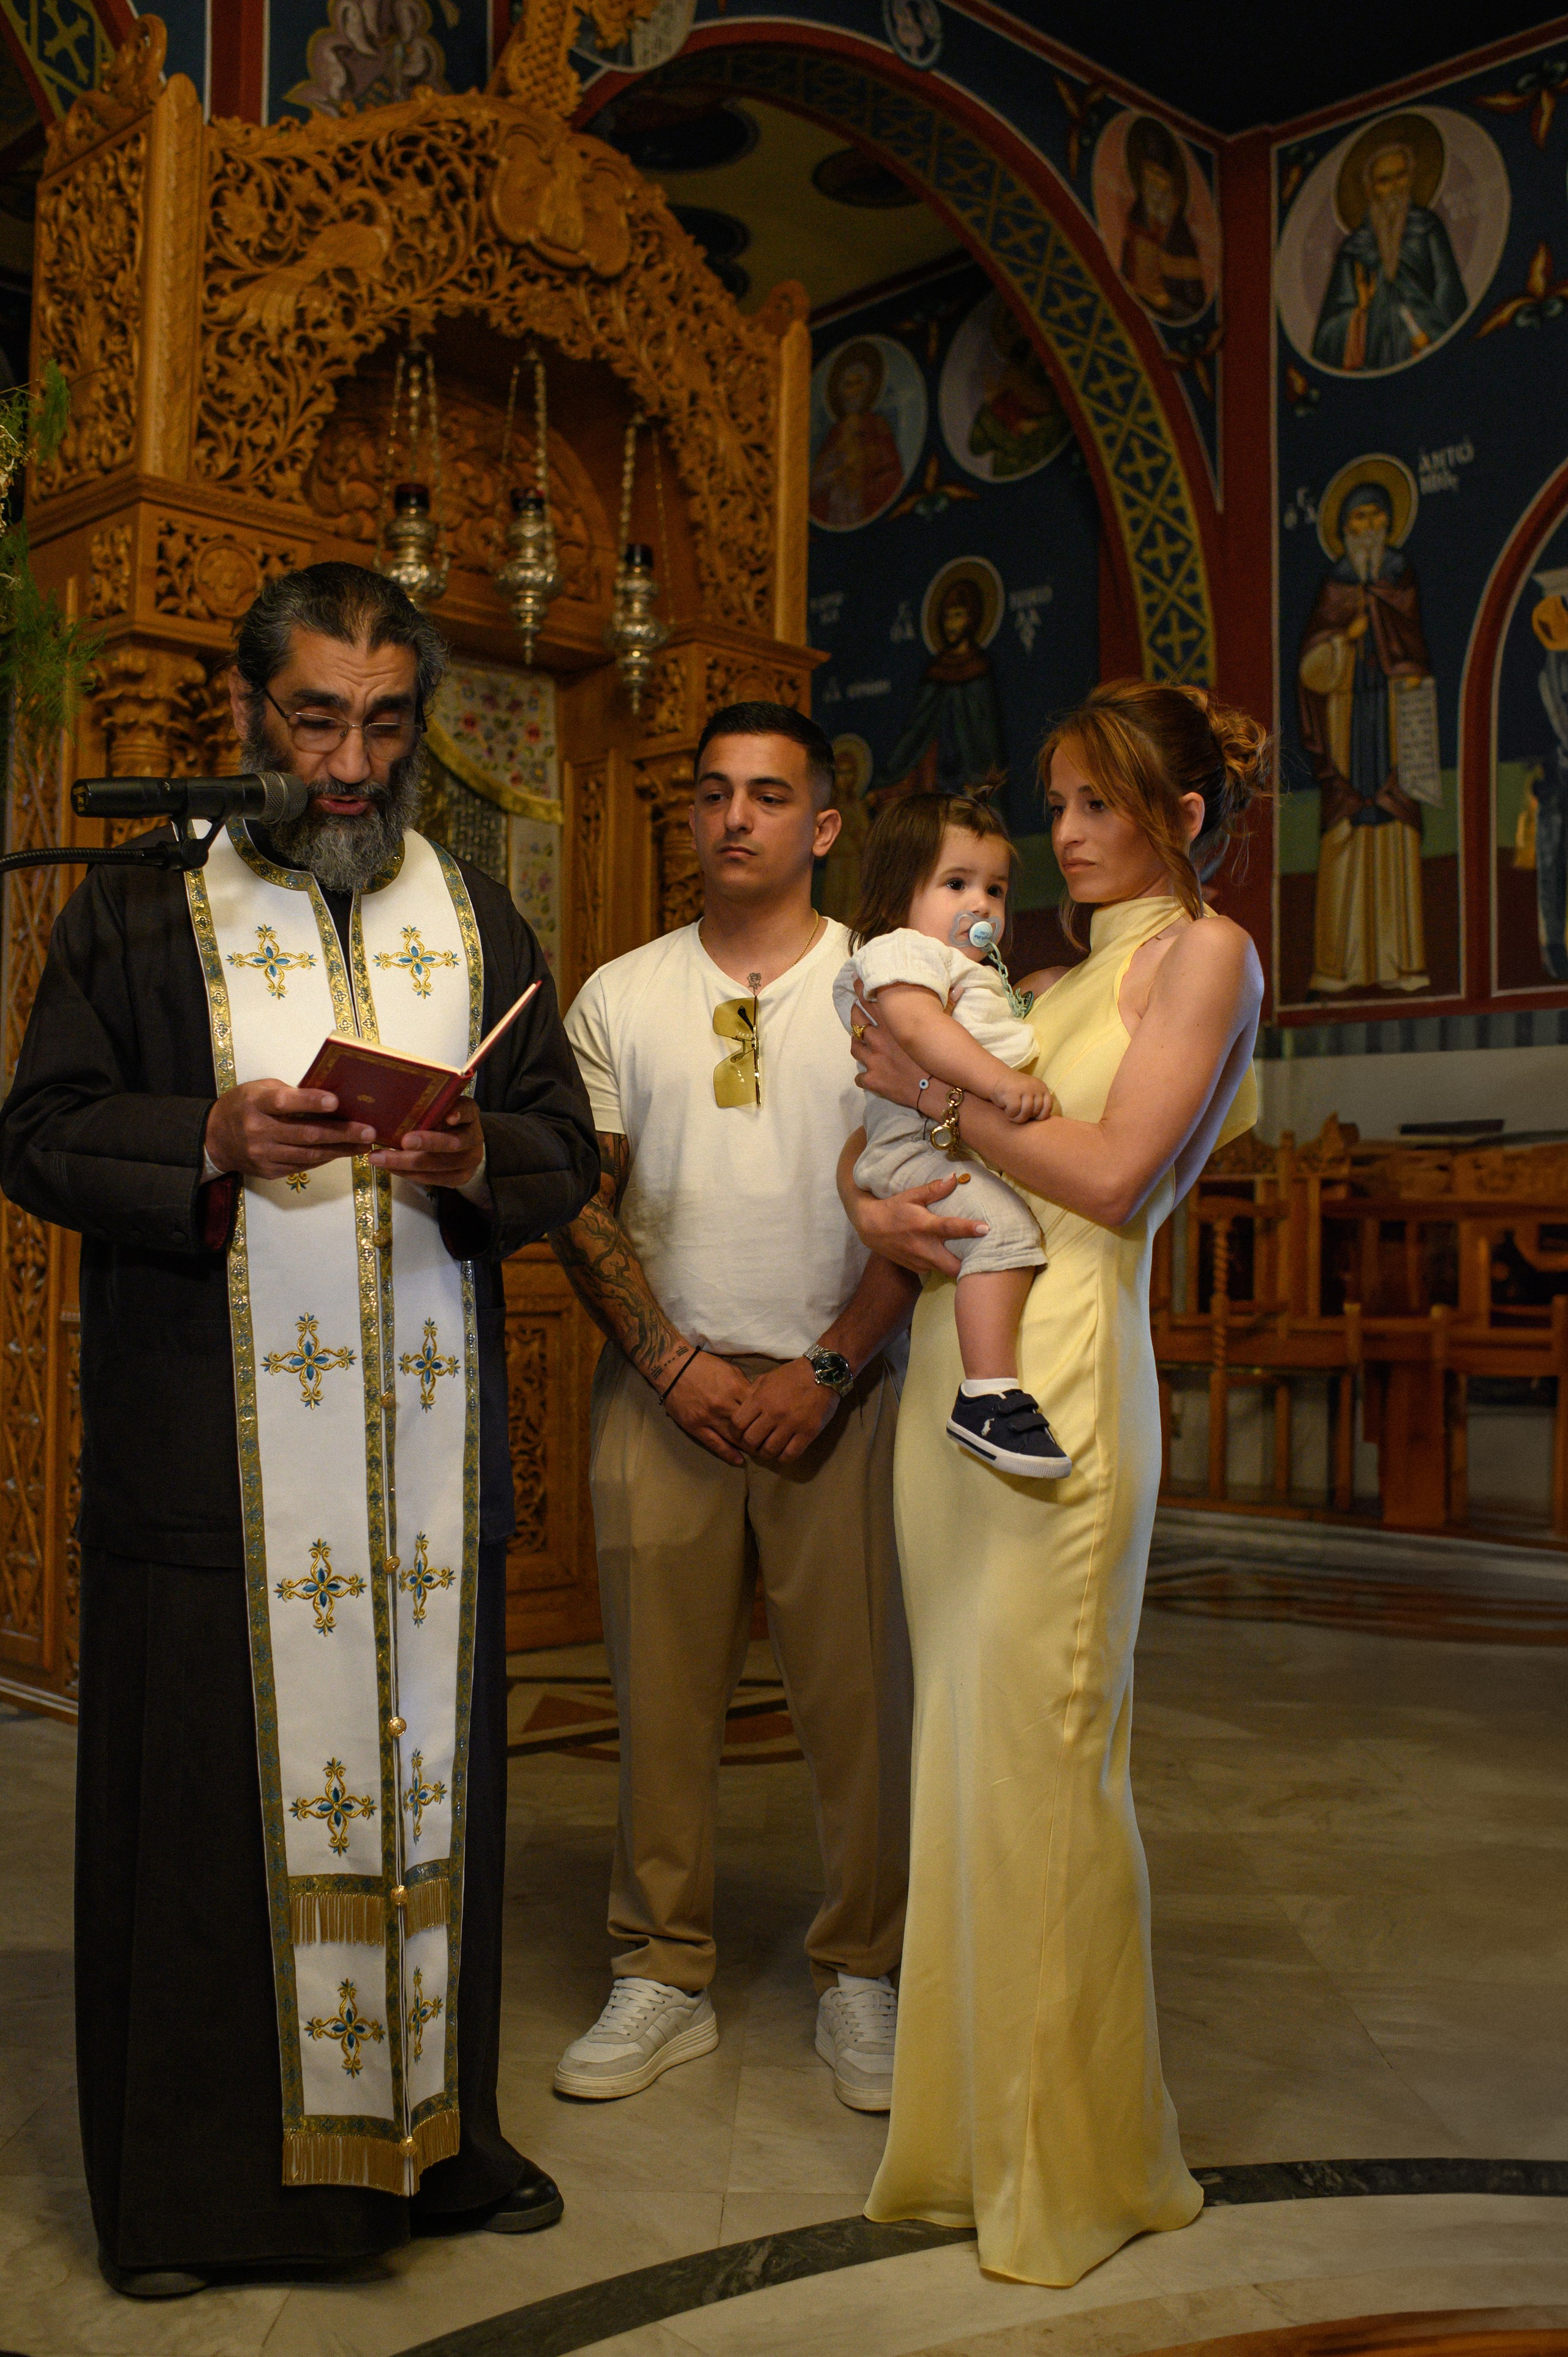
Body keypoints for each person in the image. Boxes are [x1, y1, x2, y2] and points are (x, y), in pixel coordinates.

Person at [0, 563, 599, 2298]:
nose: (351, 762)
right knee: (202, 1817)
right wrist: (207, 1134)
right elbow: (37, 1133)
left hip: (420, 1485)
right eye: (319, 718)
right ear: (251, 711)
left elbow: (563, 1142)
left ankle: (434, 2145)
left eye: (388, 723)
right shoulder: (138, 903)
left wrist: (484, 1160)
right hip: (215, 1470)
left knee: (432, 1803)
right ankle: (193, 2200)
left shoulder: (474, 908)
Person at [840, 679, 1265, 2287]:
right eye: (1061, 804)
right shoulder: (1031, 980)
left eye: (1102, 805)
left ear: (1187, 816)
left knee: (1049, 1763)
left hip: (1066, 1387)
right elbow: (890, 1143)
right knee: (967, 1762)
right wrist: (876, 1210)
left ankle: (1067, 2167)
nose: (1069, 836)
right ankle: (967, 2143)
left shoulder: (1202, 958)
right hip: (952, 1372)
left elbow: (1104, 1171)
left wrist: (944, 1094)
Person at [549, 701, 917, 2113]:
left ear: (823, 823)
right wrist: (667, 1360)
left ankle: (863, 1973)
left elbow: (935, 1197)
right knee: (656, 1700)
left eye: (768, 795)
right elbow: (584, 1201)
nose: (735, 818)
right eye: (712, 793)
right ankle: (660, 1969)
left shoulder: (884, 989)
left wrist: (831, 1361)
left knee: (859, 1702)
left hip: (845, 1386)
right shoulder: (618, 993)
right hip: (665, 1392)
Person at [832, 791, 1069, 1478]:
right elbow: (917, 1030)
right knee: (1002, 1233)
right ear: (897, 894)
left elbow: (995, 1018)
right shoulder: (901, 952)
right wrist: (998, 1083)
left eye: (995, 888)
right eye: (957, 884)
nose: (983, 905)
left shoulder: (968, 969)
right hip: (913, 1149)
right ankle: (987, 1394)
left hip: (949, 1135)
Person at [1297, 477, 1432, 994]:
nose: (1369, 527)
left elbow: (1413, 647)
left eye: (1377, 516)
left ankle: (1402, 965)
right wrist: (1344, 642)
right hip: (1345, 725)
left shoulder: (1401, 578)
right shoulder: (1334, 588)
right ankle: (1340, 967)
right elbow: (1311, 670)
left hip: (1395, 722)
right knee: (1347, 832)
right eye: (1359, 518)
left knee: (1393, 835)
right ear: (1344, 528)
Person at [1311, 130, 1465, 372]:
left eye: (1401, 176)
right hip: (1372, 358)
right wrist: (1359, 312)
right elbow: (1328, 332)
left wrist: (1431, 334)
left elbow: (1449, 289)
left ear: (1411, 178)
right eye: (1384, 180)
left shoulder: (1428, 229)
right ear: (1370, 190)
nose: (1394, 187)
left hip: (1423, 345)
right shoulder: (1354, 251)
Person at [876, 574, 1005, 804]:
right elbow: (918, 729)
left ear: (972, 618)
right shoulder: (935, 671)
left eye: (958, 616)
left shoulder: (979, 668)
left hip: (968, 771)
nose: (951, 625)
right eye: (947, 618)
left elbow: (985, 738)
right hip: (934, 773)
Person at [810, 342, 907, 531]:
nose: (854, 392)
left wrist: (866, 468)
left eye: (859, 383)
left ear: (868, 388)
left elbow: (893, 475)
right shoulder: (834, 434)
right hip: (837, 511)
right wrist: (835, 475)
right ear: (840, 391)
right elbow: (815, 486)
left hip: (867, 509)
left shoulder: (877, 426)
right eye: (848, 385)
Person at [1118, 116, 1207, 321]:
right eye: (1148, 171)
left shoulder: (1180, 235)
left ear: (1170, 183)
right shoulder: (1136, 217)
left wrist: (1167, 303)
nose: (1152, 181)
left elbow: (1194, 307)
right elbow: (1121, 277)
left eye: (1159, 175)